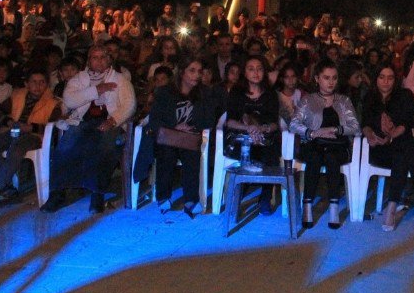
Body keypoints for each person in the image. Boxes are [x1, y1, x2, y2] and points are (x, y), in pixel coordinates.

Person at [43, 44, 136, 214]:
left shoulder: (120, 80)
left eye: (103, 57)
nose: (99, 61)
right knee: (65, 146)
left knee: (104, 147)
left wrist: (114, 120)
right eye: (95, 57)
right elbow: (70, 100)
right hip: (82, 122)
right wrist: (96, 90)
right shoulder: (79, 79)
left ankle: (97, 192)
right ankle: (57, 192)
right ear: (89, 60)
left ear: (109, 59)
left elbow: (130, 105)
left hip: (109, 122)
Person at [361, 64, 414, 231]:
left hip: (398, 145)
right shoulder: (369, 98)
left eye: (390, 78)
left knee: (403, 148)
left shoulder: (404, 95)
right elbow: (365, 123)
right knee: (406, 145)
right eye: (382, 77)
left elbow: (406, 123)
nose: (386, 82)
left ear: (396, 80)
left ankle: (391, 209)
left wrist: (390, 136)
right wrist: (370, 136)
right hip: (379, 150)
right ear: (376, 79)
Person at [289, 59, 361, 229]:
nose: (330, 82)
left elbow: (355, 127)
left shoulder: (343, 101)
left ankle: (334, 206)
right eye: (326, 78)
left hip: (337, 146)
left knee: (331, 156)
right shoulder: (308, 100)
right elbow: (294, 124)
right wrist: (313, 132)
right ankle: (307, 205)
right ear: (317, 79)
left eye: (334, 78)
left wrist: (336, 130)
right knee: (314, 157)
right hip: (313, 144)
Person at [148, 58, 223, 217]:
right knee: (166, 153)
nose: (196, 75)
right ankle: (163, 196)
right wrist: (174, 126)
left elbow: (209, 120)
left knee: (191, 155)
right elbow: (154, 119)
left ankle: (191, 199)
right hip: (169, 135)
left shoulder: (204, 93)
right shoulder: (165, 92)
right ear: (182, 72)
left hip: (190, 136)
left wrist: (193, 127)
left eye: (199, 71)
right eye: (192, 70)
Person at [0, 67, 62, 209]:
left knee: (16, 150)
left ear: (47, 84)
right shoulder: (17, 95)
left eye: (42, 82)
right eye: (34, 82)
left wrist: (31, 128)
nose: (37, 86)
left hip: (34, 135)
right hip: (13, 130)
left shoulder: (53, 102)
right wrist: (8, 121)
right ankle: (8, 187)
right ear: (27, 84)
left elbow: (54, 127)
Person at [224, 56, 281, 216]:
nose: (256, 72)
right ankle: (238, 194)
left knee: (271, 154)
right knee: (246, 150)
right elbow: (230, 122)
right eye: (251, 68)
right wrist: (249, 129)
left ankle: (265, 197)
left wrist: (261, 129)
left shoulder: (270, 94)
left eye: (259, 68)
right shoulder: (236, 92)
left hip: (265, 138)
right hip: (241, 137)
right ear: (244, 72)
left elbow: (274, 123)